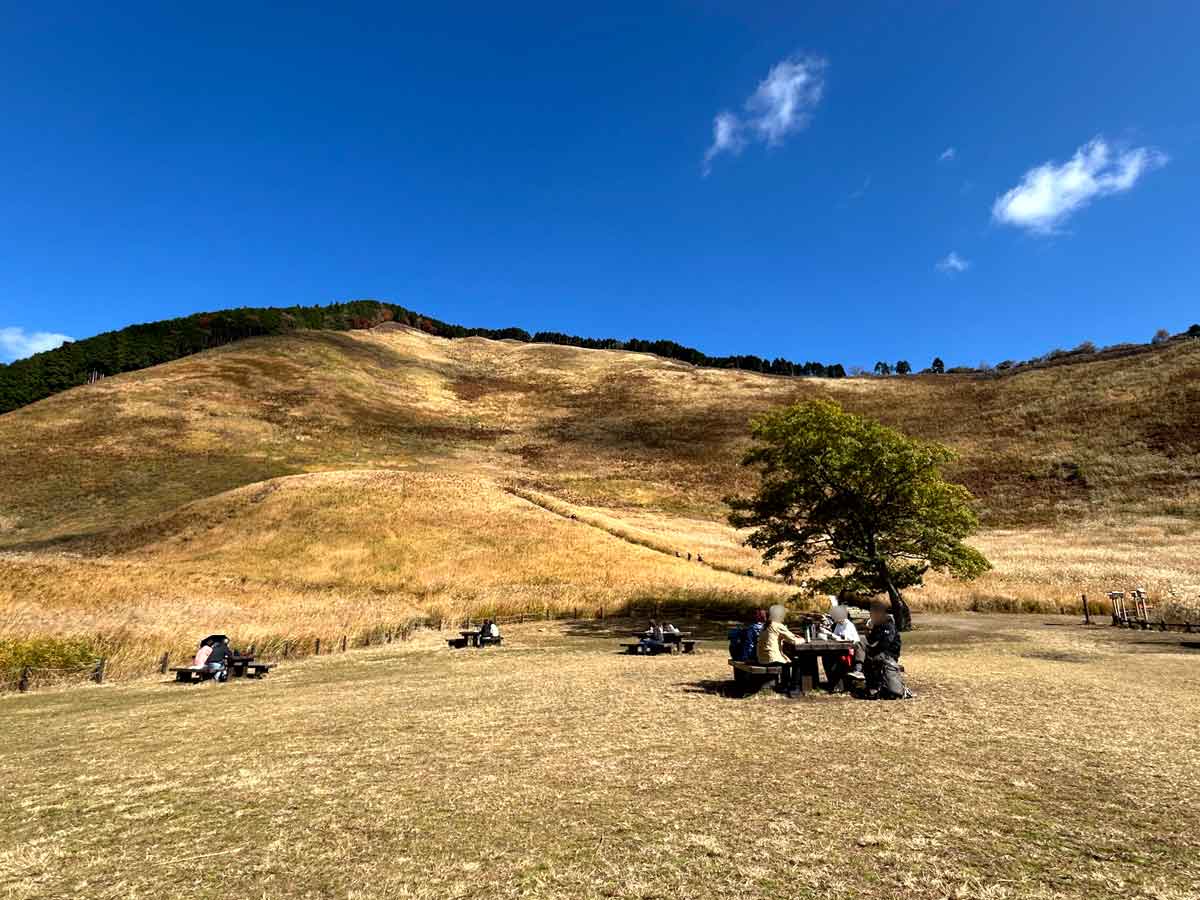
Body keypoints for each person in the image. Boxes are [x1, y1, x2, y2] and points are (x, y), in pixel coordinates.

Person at [848, 600, 910, 699]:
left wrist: (872, 652)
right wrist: (868, 632)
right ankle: (859, 670)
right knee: (861, 640)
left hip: (888, 655)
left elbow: (885, 644)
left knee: (866, 649)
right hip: (877, 652)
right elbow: (872, 641)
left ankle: (864, 675)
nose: (871, 616)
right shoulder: (877, 625)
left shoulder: (888, 625)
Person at [756, 605, 805, 692]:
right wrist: (803, 639)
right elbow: (793, 641)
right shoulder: (777, 625)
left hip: (762, 658)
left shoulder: (766, 625)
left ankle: (785, 685)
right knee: (798, 662)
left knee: (787, 661)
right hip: (771, 658)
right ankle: (794, 687)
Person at [820, 605, 859, 691]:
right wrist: (828, 634)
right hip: (840, 649)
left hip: (850, 651)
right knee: (825, 657)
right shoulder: (838, 624)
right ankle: (833, 683)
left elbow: (845, 640)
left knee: (833, 660)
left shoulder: (849, 625)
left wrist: (830, 634)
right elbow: (836, 636)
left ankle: (838, 685)